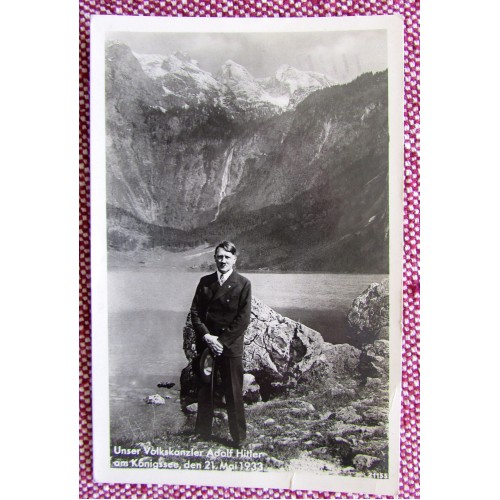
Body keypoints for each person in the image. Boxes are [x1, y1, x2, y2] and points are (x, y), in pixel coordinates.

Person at [190, 241, 252, 447]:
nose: (222, 260)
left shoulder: (243, 283)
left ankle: (239, 437)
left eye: (227, 257)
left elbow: (243, 319)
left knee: (233, 392)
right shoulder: (205, 282)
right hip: (207, 344)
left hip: (230, 345)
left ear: (234, 259)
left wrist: (222, 342)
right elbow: (195, 313)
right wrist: (207, 337)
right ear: (215, 258)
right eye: (219, 256)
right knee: (205, 388)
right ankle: (202, 432)